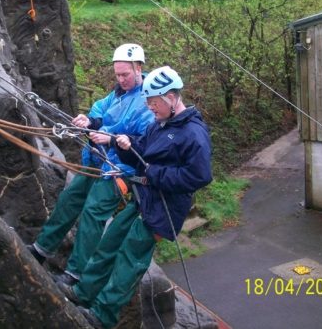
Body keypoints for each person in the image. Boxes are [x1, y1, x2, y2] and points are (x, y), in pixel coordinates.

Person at [59, 66, 213, 329]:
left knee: (130, 259)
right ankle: (82, 293)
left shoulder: (193, 134)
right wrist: (126, 144)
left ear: (171, 98)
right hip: (143, 198)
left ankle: (103, 315)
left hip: (164, 208)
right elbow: (144, 152)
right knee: (109, 244)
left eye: (154, 103)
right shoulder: (160, 125)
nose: (151, 109)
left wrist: (157, 174)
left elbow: (198, 177)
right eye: (148, 104)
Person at [27, 44, 154, 286]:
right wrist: (90, 120)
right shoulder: (119, 93)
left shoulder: (147, 101)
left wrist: (111, 138)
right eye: (117, 74)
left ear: (139, 68)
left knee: (93, 213)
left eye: (125, 74)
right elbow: (101, 110)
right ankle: (42, 249)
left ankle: (74, 274)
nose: (120, 79)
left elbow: (144, 141)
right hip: (99, 160)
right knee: (70, 198)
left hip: (122, 169)